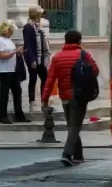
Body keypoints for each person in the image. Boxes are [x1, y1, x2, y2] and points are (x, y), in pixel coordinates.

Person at [42, 30, 99, 167]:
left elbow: (49, 80)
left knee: (72, 125)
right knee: (75, 126)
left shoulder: (57, 57)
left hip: (65, 97)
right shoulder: (84, 55)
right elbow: (95, 70)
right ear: (79, 41)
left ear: (65, 41)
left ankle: (78, 155)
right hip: (80, 96)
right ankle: (67, 154)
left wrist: (44, 99)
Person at [0, 21, 29, 124]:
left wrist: (19, 53)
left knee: (17, 92)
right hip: (5, 70)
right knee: (4, 93)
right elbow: (2, 56)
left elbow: (11, 54)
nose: (12, 33)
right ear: (6, 30)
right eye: (10, 31)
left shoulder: (9, 40)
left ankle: (19, 114)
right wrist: (14, 51)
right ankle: (3, 116)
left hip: (13, 69)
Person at [23, 6, 50, 113]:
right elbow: (28, 45)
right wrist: (32, 59)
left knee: (45, 78)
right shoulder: (28, 27)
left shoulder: (39, 27)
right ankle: (32, 102)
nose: (41, 16)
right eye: (40, 14)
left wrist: (46, 56)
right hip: (33, 59)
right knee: (33, 80)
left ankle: (44, 101)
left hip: (41, 59)